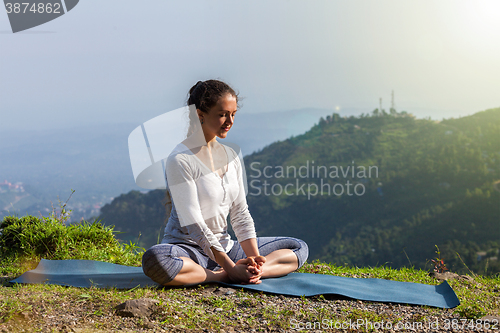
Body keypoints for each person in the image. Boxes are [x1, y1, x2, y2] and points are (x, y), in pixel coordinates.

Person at [142, 79, 308, 286]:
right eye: (222, 114)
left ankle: (254, 272)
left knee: (298, 247)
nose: (229, 121)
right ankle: (220, 276)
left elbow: (240, 213)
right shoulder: (180, 159)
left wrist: (254, 260)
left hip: (227, 247)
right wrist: (229, 268)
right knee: (156, 259)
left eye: (233, 114)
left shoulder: (231, 156)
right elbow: (195, 225)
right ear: (200, 115)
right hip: (190, 250)